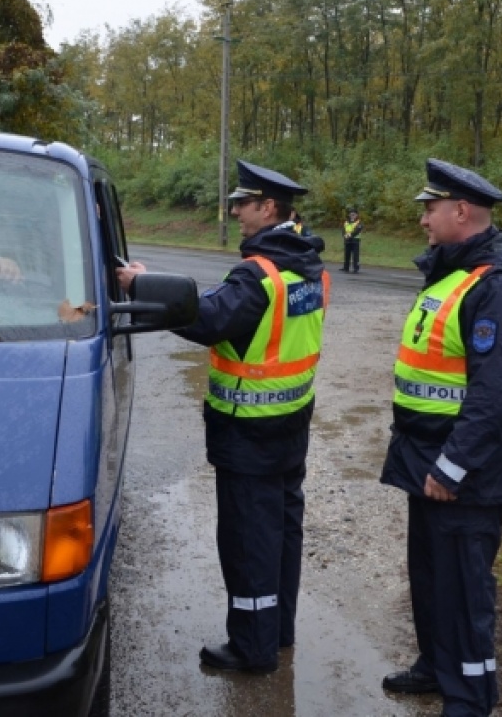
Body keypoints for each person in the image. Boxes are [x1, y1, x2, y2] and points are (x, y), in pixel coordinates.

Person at [117, 160, 329, 674]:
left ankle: (253, 649)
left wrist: (140, 288)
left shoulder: (260, 274)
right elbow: (230, 308)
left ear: (269, 207)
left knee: (248, 541)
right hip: (290, 421)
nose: (235, 211)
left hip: (249, 431)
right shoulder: (305, 265)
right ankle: (276, 632)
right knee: (281, 533)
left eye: (244, 203)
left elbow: (210, 318)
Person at [379, 159, 502, 717]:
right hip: (424, 456)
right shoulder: (452, 274)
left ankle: (470, 696)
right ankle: (436, 666)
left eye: (429, 210)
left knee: (466, 587)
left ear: (461, 211)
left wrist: (453, 466)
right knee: (430, 576)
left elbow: (495, 394)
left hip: (464, 472)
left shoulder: (501, 288)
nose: (423, 220)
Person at [341, 207, 363, 273]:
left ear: (356, 215)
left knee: (355, 255)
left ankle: (355, 268)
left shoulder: (359, 222)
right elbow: (343, 230)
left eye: (353, 214)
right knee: (346, 254)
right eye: (351, 214)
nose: (352, 215)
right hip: (347, 239)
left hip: (355, 240)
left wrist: (350, 235)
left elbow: (357, 230)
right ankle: (346, 267)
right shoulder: (346, 222)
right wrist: (344, 235)